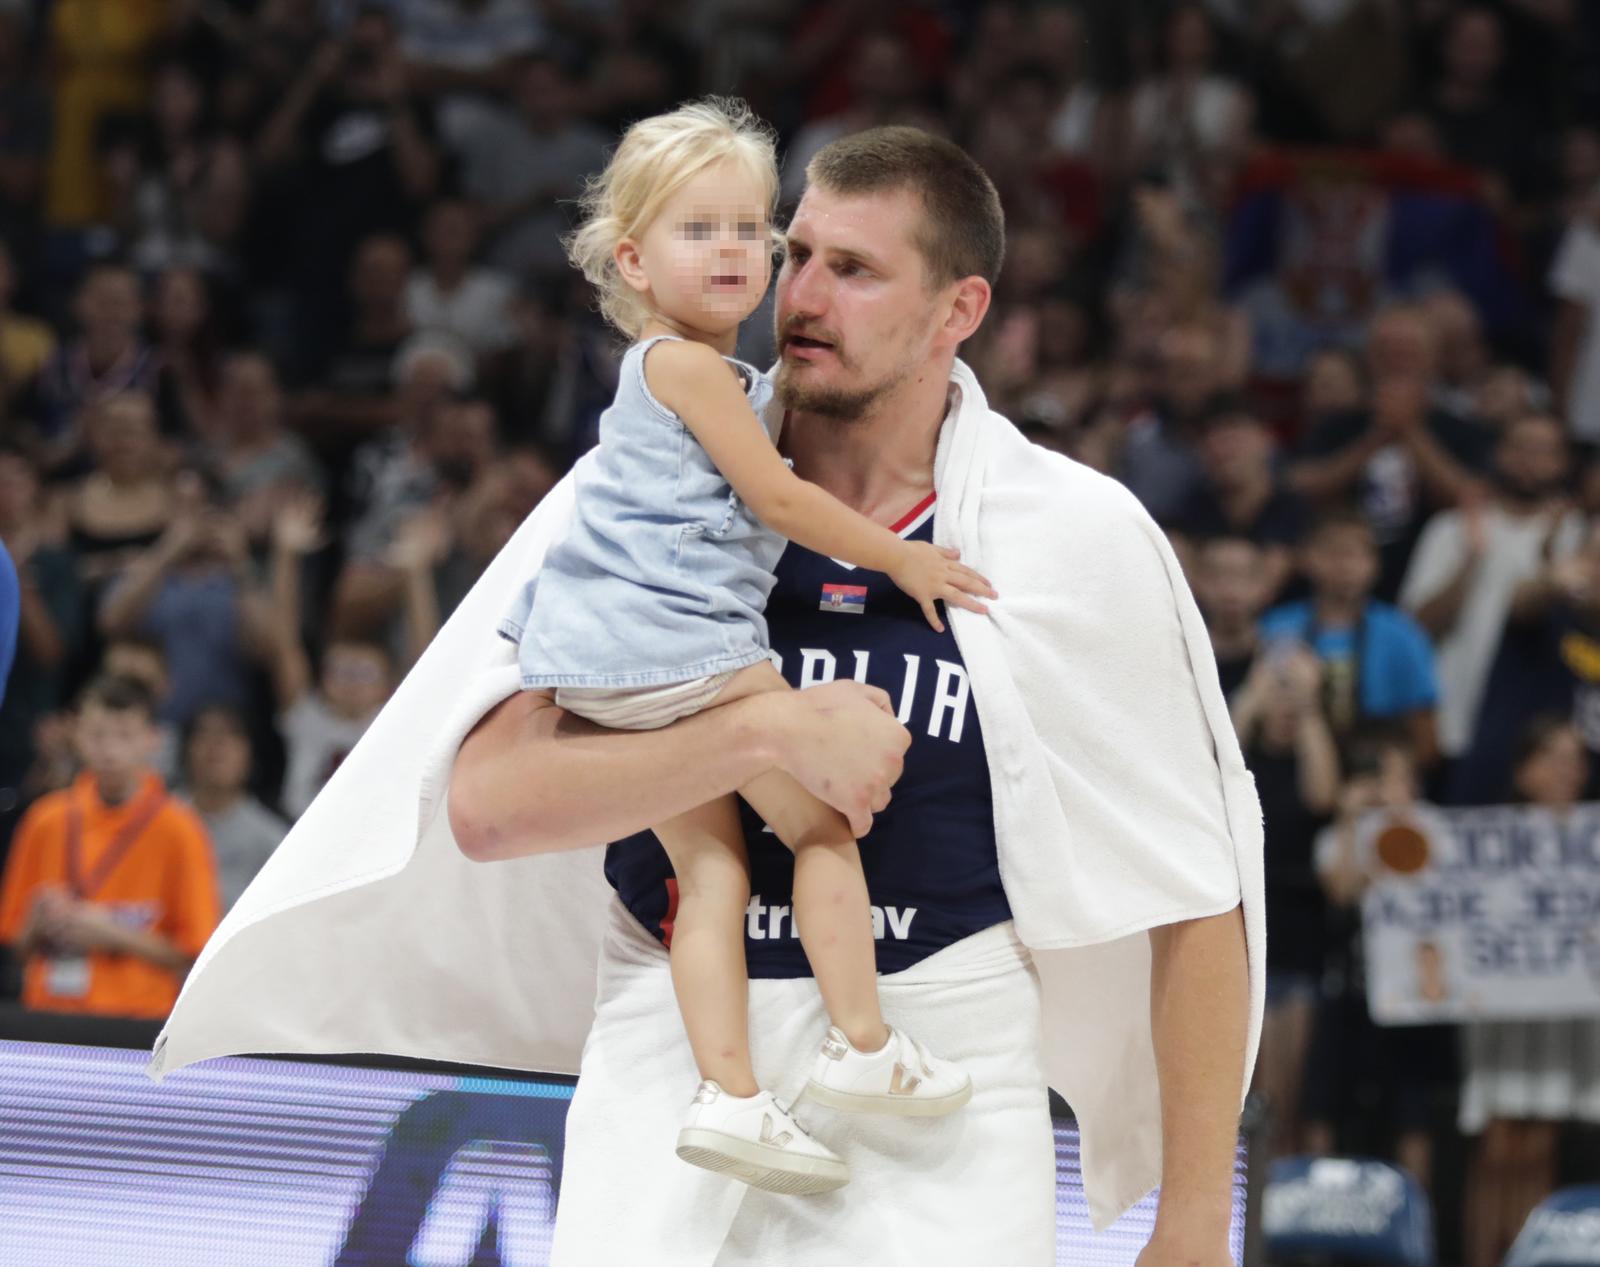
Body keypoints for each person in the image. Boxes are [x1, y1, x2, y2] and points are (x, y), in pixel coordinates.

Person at [151, 124, 1260, 1266]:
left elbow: (1195, 885)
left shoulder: (1069, 535)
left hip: (941, 1055)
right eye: (802, 253)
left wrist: (1190, 1224)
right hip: (678, 1057)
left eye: (858, 270)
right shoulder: (634, 481)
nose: (805, 296)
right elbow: (490, 805)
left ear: (958, 312)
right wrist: (764, 730)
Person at [502, 98, 996, 1191]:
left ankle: (729, 1097)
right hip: (673, 654)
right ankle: (864, 1049)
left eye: (750, 231)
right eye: (698, 231)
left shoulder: (721, 379)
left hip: (617, 665)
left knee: (712, 870)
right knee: (821, 825)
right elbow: (775, 494)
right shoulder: (679, 368)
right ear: (630, 259)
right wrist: (899, 559)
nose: (734, 252)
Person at [1459, 718, 1600, 1267]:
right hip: (1503, 1015)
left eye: (1576, 757)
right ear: (1524, 771)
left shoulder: (1592, 840)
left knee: (1541, 1141)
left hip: (1564, 1016)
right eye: (1554, 756)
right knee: (1499, 1144)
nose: (1570, 768)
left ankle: (1527, 1256)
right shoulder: (1484, 842)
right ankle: (1480, 1255)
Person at [0, 673, 220, 1019]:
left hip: (138, 1021)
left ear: (153, 739)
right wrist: (38, 920)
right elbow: (15, 944)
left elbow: (196, 951)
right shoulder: (45, 819)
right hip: (48, 1015)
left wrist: (109, 932)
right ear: (77, 734)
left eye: (125, 736)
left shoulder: (180, 828)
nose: (111, 750)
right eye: (98, 735)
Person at [1398, 413, 1583, 776]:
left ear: (1563, 463)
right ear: (1498, 452)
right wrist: (1469, 563)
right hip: (1451, 724)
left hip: (1538, 742)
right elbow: (1414, 631)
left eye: (1543, 450)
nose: (1529, 460)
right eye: (1519, 447)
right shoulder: (1450, 528)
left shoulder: (1578, 536)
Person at [1262, 510, 1441, 764]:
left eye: (1357, 553)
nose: (1344, 564)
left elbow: (1426, 734)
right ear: (1306, 558)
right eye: (1332, 552)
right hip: (1293, 768)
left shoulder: (1401, 634)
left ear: (1375, 564)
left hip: (1376, 772)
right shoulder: (1276, 627)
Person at [180, 704, 287, 913]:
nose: (216, 745)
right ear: (185, 750)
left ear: (251, 755)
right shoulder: (157, 821)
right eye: (204, 734)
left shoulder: (274, 840)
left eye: (231, 735)